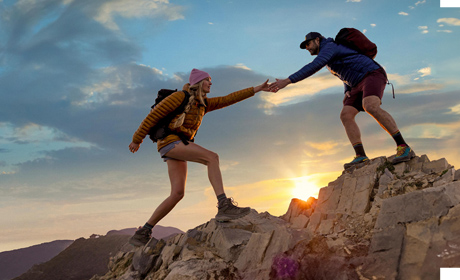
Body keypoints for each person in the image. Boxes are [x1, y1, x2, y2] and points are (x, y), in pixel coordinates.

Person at [128, 68, 271, 246]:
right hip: (170, 142)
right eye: (208, 80)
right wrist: (136, 140)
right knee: (212, 158)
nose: (211, 83)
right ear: (198, 83)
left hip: (177, 146)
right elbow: (152, 116)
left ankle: (143, 232)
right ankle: (224, 205)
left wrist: (257, 89)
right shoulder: (180, 97)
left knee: (177, 193)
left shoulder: (203, 104)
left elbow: (228, 99)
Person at [269, 32, 415, 169]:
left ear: (317, 40)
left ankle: (403, 146)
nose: (307, 48)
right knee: (346, 115)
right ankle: (361, 156)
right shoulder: (329, 56)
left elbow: (313, 66)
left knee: (370, 105)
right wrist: (347, 90)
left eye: (308, 44)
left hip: (372, 74)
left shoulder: (329, 47)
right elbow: (343, 72)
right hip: (356, 84)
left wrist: (288, 81)